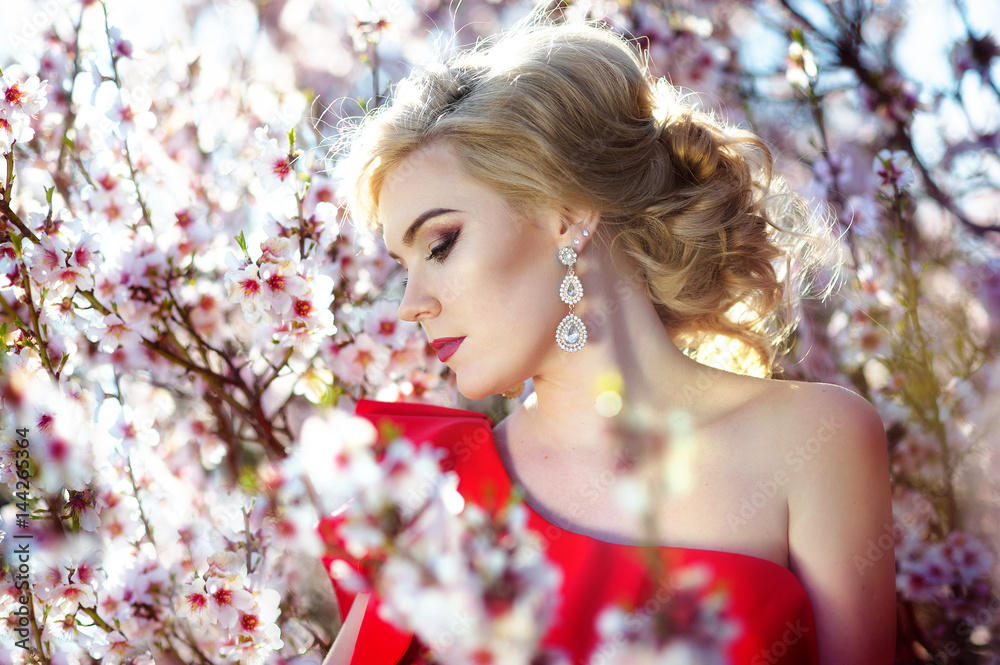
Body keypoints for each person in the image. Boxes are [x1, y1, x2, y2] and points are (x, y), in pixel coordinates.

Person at [320, 15, 896, 665]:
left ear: (567, 214)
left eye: (441, 243)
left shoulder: (817, 440)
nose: (410, 304)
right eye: (403, 263)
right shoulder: (432, 491)